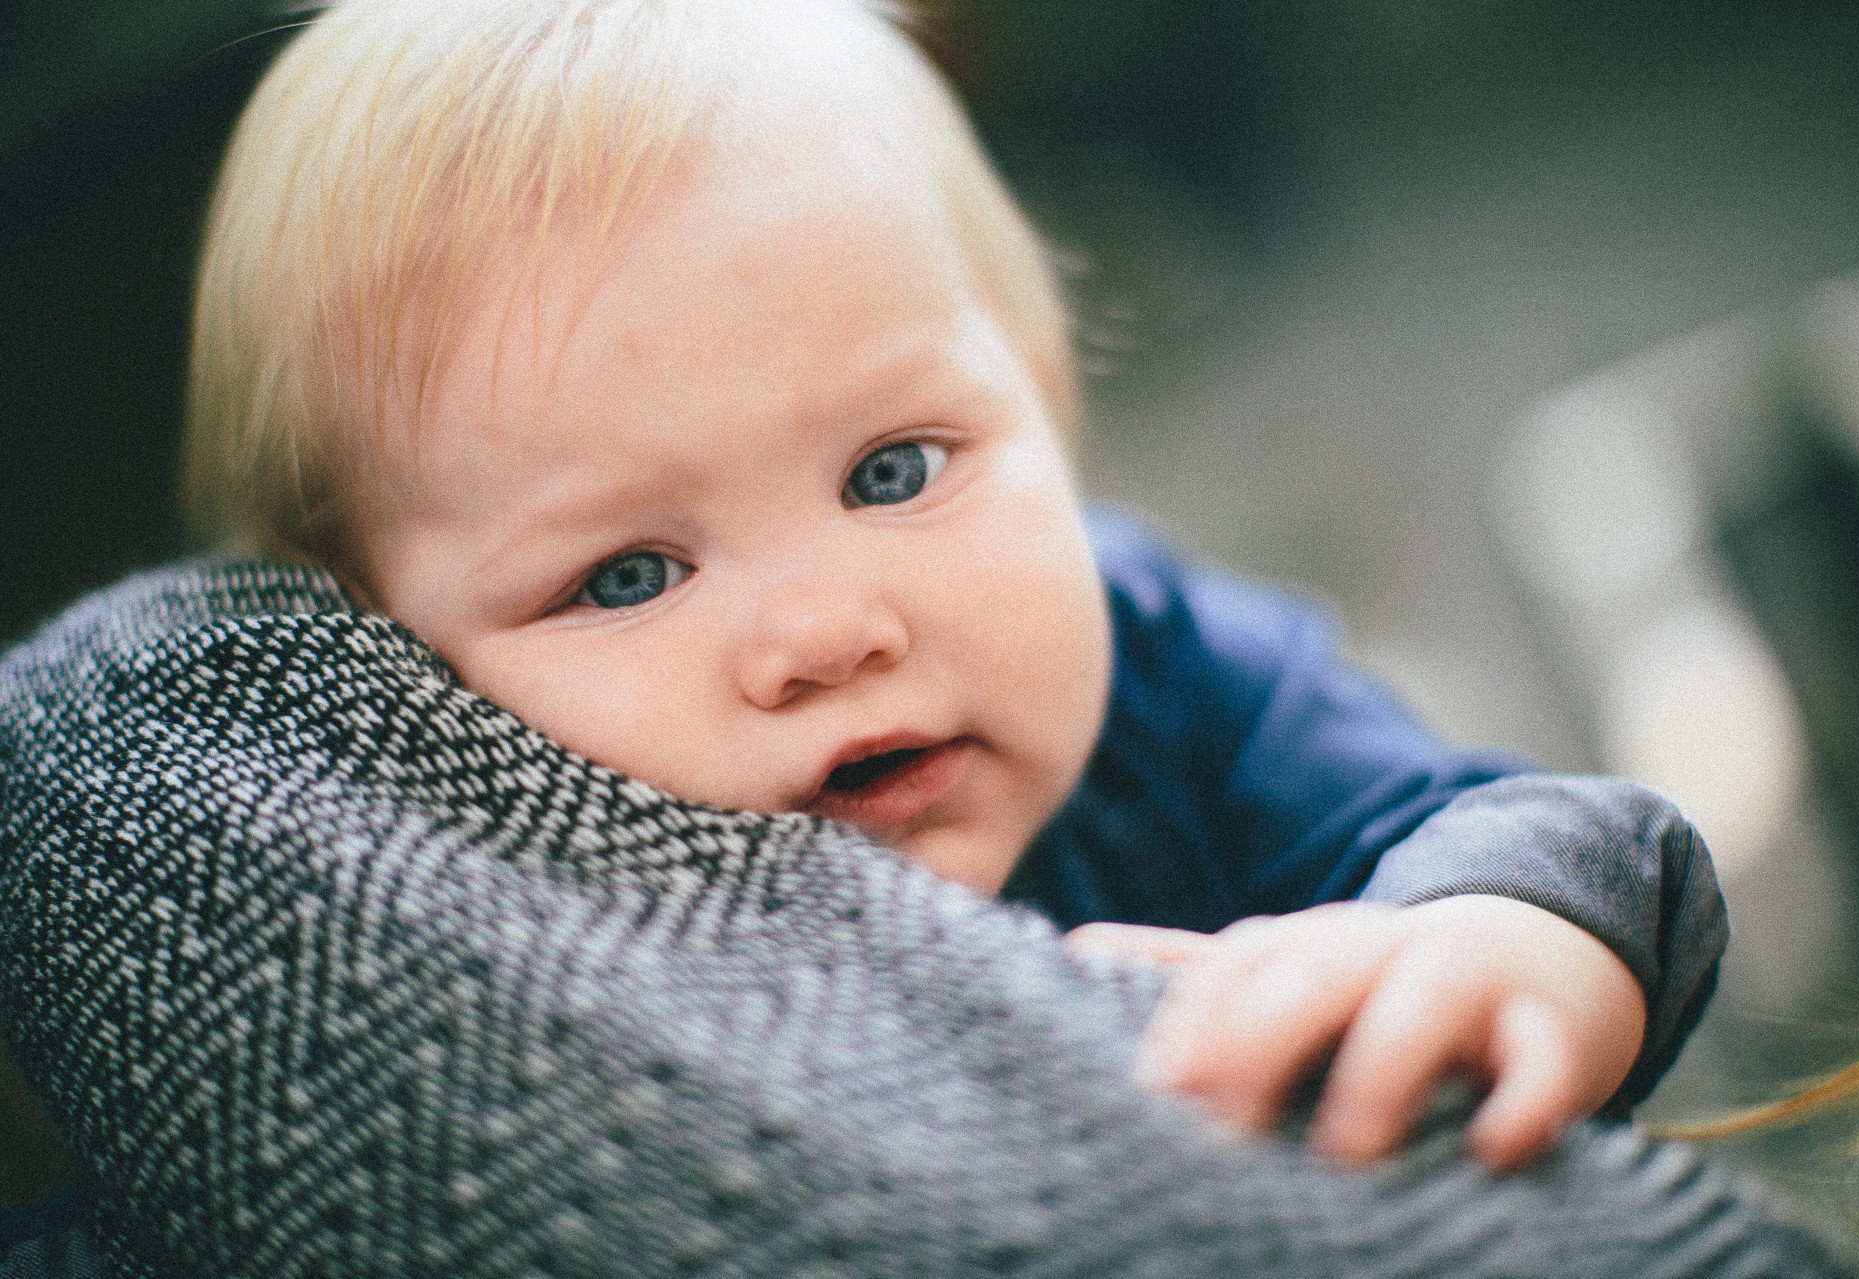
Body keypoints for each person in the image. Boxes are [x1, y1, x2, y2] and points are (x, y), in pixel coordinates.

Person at [1, 0, 1734, 1268]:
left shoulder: (1156, 652)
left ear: (1046, 407)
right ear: (396, 670)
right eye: (622, 574)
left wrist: (1491, 945)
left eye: (893, 468)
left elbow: (1581, 842)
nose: (824, 630)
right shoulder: (455, 918)